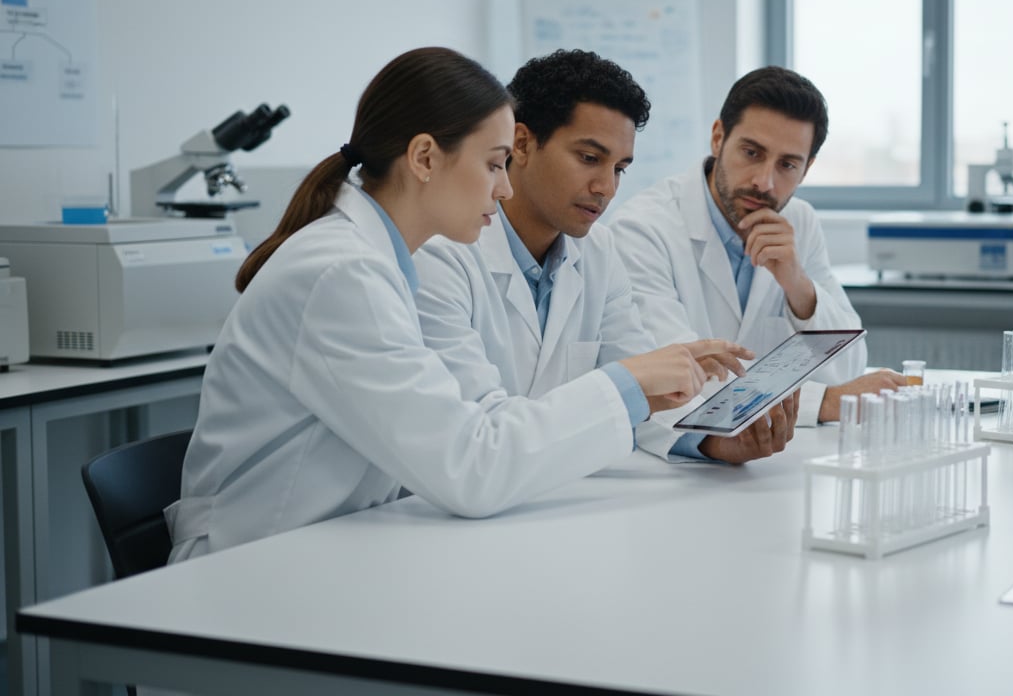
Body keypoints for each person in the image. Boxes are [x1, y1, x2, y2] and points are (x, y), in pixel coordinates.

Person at [166, 47, 731, 562]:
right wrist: (625, 384)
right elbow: (472, 465)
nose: (503, 188)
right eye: (493, 164)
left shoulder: (373, 260)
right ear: (424, 158)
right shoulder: (344, 273)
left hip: (343, 547)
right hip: (254, 564)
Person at [413, 49, 796, 464]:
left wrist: (712, 441)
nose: (606, 188)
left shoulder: (598, 251)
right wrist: (630, 378)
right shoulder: (441, 256)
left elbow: (643, 397)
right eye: (589, 159)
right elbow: (477, 433)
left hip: (554, 490)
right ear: (521, 144)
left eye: (619, 168)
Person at [608, 66, 904, 439]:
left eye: (787, 165)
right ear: (718, 138)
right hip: (678, 460)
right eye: (752, 153)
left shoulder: (799, 222)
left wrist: (798, 286)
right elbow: (673, 377)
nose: (764, 182)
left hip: (779, 456)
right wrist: (826, 402)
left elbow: (848, 365)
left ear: (807, 169)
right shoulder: (642, 230)